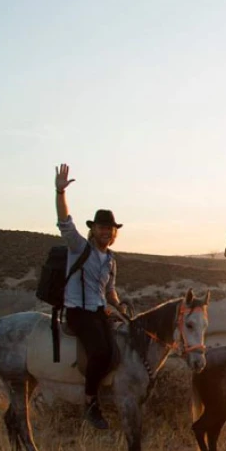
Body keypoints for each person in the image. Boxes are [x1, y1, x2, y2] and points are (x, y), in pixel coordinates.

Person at [54, 164, 128, 430]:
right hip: (78, 311)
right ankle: (90, 404)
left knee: (115, 352)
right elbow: (65, 222)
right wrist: (60, 192)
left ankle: (102, 393)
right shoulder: (79, 247)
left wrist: (119, 305)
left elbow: (109, 291)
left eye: (110, 229)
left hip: (99, 310)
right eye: (102, 227)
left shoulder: (110, 259)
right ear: (93, 229)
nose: (106, 232)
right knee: (99, 352)